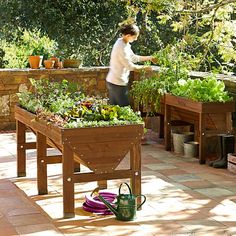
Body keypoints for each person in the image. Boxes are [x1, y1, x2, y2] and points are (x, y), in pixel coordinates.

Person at [106, 23, 157, 106]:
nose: (136, 39)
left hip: (114, 81)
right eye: (134, 37)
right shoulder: (121, 47)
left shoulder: (124, 43)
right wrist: (146, 68)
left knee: (115, 110)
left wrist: (150, 58)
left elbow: (134, 58)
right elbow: (130, 66)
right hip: (117, 83)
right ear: (128, 36)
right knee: (124, 110)